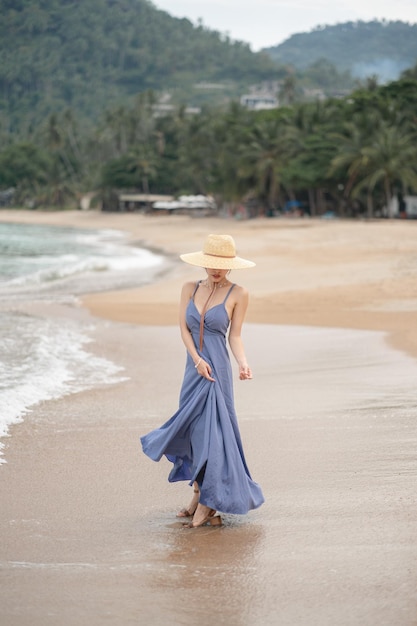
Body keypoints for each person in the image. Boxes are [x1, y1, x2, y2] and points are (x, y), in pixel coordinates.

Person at [141, 234, 264, 528]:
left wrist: (243, 363)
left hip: (218, 370)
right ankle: (199, 495)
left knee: (217, 436)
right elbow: (183, 329)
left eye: (223, 264)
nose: (217, 269)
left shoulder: (239, 293)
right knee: (195, 432)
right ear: (204, 262)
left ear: (231, 265)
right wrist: (197, 360)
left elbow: (234, 336)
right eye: (212, 263)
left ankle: (208, 504)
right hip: (194, 369)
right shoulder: (189, 288)